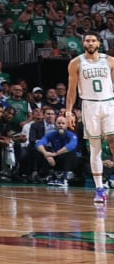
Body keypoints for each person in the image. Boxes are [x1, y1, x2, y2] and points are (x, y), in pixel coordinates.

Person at [65, 30, 113, 207]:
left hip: (108, 103)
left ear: (99, 43)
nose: (91, 43)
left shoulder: (109, 61)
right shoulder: (76, 63)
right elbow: (71, 91)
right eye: (88, 41)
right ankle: (99, 188)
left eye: (93, 41)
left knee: (113, 139)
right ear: (83, 44)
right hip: (89, 105)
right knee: (95, 147)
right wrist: (68, 112)